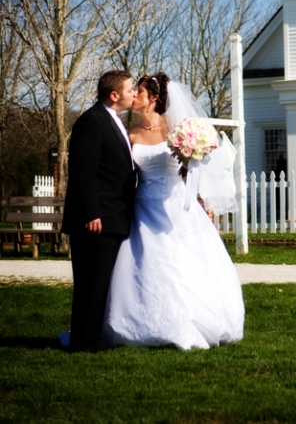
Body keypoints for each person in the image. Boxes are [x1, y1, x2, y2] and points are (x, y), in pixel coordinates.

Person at [103, 73, 244, 350]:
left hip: (177, 207)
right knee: (145, 262)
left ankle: (193, 319)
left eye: (140, 92)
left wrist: (198, 150)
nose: (135, 96)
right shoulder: (131, 134)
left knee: (181, 261)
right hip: (144, 207)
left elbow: (206, 153)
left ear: (153, 98)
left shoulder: (178, 128)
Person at [61, 70, 137, 353]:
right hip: (96, 219)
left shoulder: (113, 120)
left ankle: (92, 337)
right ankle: (85, 342)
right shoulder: (92, 121)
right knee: (91, 283)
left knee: (100, 282)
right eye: (130, 89)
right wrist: (91, 213)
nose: (134, 93)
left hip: (113, 216)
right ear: (114, 95)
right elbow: (83, 173)